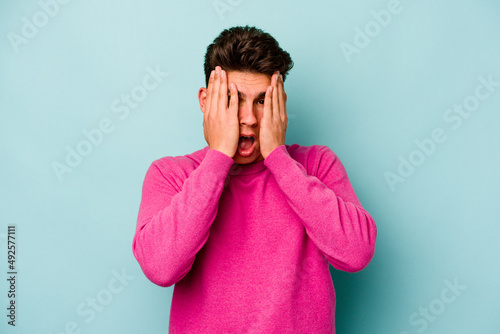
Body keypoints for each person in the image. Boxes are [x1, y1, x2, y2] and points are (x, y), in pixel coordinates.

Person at [132, 25, 377, 333]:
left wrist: (279, 159)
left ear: (281, 106)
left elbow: (356, 253)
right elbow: (160, 267)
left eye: (262, 101)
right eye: (234, 100)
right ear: (206, 102)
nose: (249, 117)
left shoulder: (316, 165)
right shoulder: (172, 175)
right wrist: (218, 158)